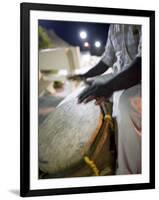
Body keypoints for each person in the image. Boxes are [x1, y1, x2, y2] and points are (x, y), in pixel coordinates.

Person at [68, 24, 142, 174]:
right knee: (90, 88)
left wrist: (109, 87)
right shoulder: (113, 26)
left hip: (145, 76)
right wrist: (85, 76)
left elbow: (144, 63)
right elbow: (107, 60)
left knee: (127, 104)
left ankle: (130, 173)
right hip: (120, 74)